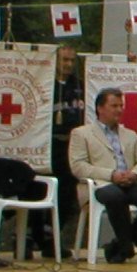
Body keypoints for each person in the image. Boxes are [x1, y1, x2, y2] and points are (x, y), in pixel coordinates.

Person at [69, 86, 137, 264]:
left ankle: (121, 244)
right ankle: (125, 247)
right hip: (102, 183)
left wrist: (135, 174)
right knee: (115, 196)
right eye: (114, 106)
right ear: (100, 108)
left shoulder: (129, 134)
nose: (120, 110)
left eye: (121, 106)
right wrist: (111, 175)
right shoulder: (81, 134)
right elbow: (78, 166)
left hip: (130, 182)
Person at [49, 43, 84, 253]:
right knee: (43, 191)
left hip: (72, 145)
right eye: (65, 60)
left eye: (72, 60)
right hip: (49, 145)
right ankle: (35, 237)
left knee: (67, 194)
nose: (69, 64)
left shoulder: (79, 86)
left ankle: (55, 238)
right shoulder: (45, 84)